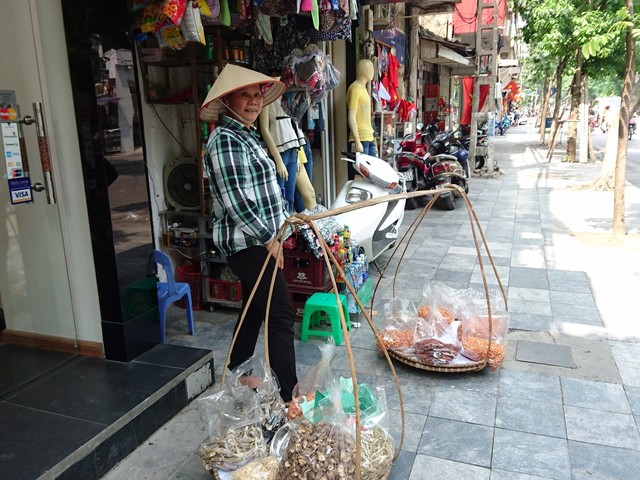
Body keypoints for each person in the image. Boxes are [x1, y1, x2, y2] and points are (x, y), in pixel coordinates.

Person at [199, 64, 298, 402]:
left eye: (257, 95)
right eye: (246, 95)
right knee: (280, 315)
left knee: (255, 309)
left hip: (263, 239)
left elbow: (266, 192)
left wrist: (284, 226)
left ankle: (236, 374)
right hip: (248, 243)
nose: (254, 101)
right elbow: (237, 202)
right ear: (227, 100)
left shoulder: (247, 135)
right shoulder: (224, 140)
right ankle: (289, 398)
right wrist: (270, 239)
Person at [259, 85, 315, 213]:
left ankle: (294, 223)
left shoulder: (286, 89)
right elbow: (264, 128)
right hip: (279, 146)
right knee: (282, 198)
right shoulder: (266, 92)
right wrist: (278, 160)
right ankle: (284, 224)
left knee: (290, 198)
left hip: (293, 145)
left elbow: (293, 121)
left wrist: (298, 155)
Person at [347, 58, 376, 180]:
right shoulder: (354, 89)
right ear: (363, 70)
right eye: (370, 68)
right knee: (360, 175)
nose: (373, 71)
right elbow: (351, 115)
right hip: (361, 137)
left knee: (373, 173)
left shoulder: (363, 89)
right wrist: (357, 140)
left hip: (369, 136)